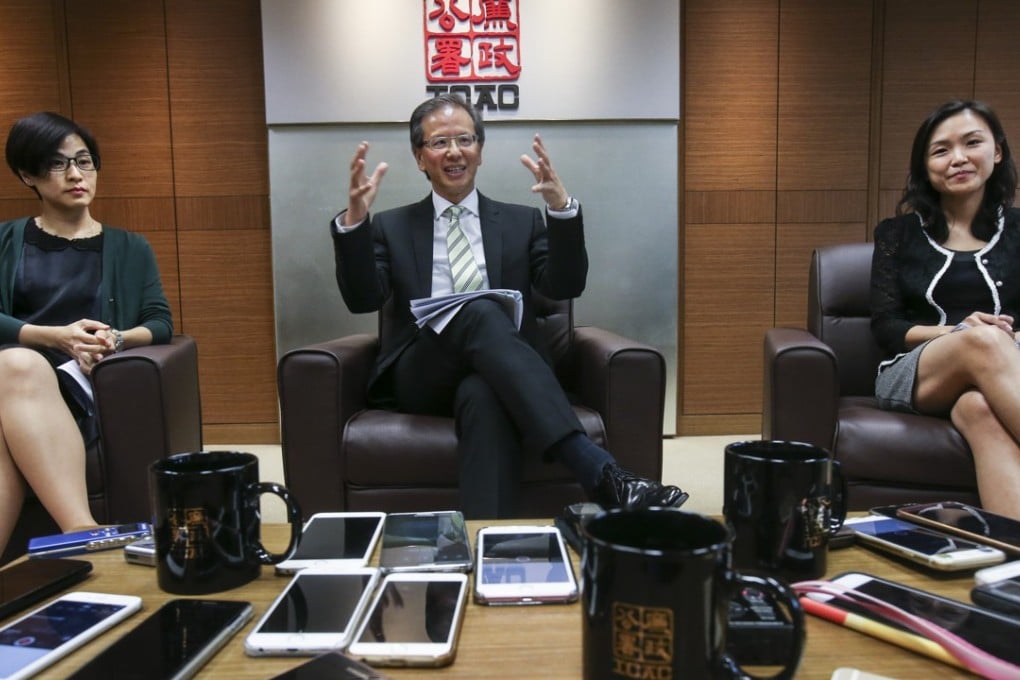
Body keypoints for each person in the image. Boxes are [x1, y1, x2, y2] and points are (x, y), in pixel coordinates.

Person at [330, 93, 688, 518]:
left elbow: (566, 283)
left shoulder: (522, 221)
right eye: (439, 143)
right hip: (422, 373)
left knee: (483, 393)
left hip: (501, 373)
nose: (454, 152)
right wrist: (353, 225)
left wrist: (560, 211)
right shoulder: (391, 226)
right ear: (419, 157)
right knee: (481, 309)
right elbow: (362, 299)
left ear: (480, 149)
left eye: (464, 139)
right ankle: (596, 468)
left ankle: (486, 542)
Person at [0, 111, 173, 555]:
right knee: (17, 364)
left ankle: (78, 529)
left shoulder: (130, 247)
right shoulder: (5, 240)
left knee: (15, 376)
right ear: (27, 175)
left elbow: (159, 322)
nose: (76, 174)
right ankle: (79, 529)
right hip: (12, 373)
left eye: (84, 161)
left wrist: (115, 339)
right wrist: (51, 336)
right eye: (58, 164)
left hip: (75, 383)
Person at [871, 99, 1020, 520]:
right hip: (918, 372)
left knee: (979, 410)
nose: (958, 158)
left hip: (1009, 366)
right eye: (941, 150)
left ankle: (1013, 565)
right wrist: (962, 333)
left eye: (972, 142)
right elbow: (887, 326)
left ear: (997, 151)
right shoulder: (897, 234)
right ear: (925, 167)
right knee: (981, 340)